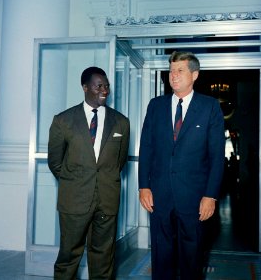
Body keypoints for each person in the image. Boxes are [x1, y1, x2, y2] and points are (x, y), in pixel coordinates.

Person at [138, 51, 225, 280]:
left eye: (180, 70)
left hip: (194, 197)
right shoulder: (155, 106)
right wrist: (143, 186)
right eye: (171, 71)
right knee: (161, 256)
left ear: (194, 74)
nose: (173, 76)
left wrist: (211, 195)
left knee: (192, 257)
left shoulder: (209, 107)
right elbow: (146, 147)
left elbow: (217, 156)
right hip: (159, 195)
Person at [48, 66, 130, 280]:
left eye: (107, 86)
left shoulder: (121, 122)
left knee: (104, 257)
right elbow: (55, 162)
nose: (105, 90)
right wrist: (75, 182)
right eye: (99, 86)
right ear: (85, 87)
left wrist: (101, 180)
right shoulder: (63, 120)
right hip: (74, 199)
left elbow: (118, 162)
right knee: (68, 255)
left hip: (107, 199)